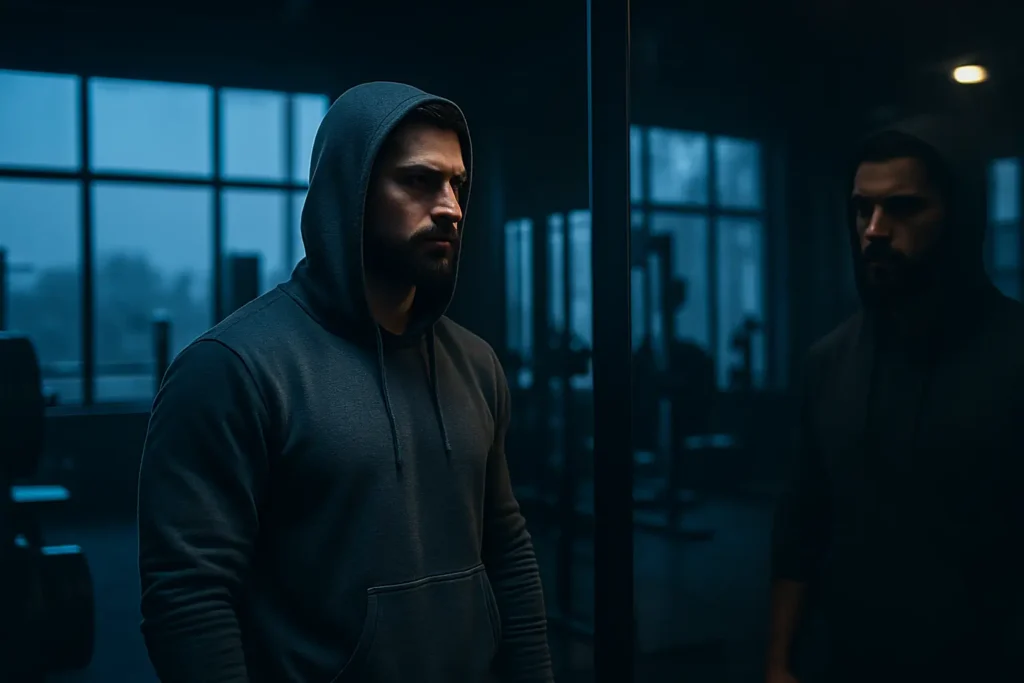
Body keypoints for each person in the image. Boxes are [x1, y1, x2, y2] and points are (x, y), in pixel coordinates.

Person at [138, 81, 554, 683]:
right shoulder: (231, 368)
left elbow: (506, 548)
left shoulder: (476, 364)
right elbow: (189, 598)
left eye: (457, 184)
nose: (450, 207)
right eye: (418, 180)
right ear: (350, 191)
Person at [766, 122, 1024, 683]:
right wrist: (780, 663)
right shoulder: (829, 362)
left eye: (903, 208)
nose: (875, 230)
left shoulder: (1015, 354)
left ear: (957, 218)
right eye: (863, 210)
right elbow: (801, 529)